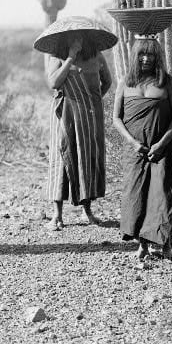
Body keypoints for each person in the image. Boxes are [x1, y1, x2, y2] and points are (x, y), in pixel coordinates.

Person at [113, 37, 172, 260]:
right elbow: (116, 118)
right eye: (142, 54)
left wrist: (161, 143)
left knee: (162, 195)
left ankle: (165, 243)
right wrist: (134, 143)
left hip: (163, 147)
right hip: (136, 150)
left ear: (157, 57)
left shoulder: (167, 81)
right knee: (136, 195)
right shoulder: (126, 82)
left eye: (151, 54)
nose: (146, 58)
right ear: (135, 57)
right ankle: (142, 245)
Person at [45, 35, 112, 230]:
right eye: (72, 38)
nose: (78, 40)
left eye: (81, 37)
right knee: (61, 158)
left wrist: (92, 100)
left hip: (89, 115)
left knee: (86, 158)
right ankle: (57, 215)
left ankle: (87, 211)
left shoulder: (96, 56)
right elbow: (54, 83)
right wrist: (70, 57)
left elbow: (106, 82)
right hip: (64, 113)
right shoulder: (57, 56)